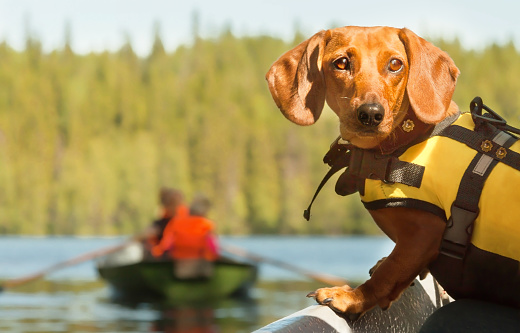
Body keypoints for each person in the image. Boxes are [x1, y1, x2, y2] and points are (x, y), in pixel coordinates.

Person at [152, 193, 219, 279]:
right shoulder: (207, 225)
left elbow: (166, 245)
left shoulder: (175, 223)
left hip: (180, 268)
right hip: (202, 269)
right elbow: (213, 249)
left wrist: (157, 253)